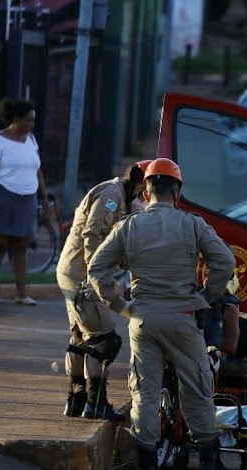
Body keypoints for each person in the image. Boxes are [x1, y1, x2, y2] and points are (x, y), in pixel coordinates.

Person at [87, 158, 236, 470]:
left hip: (143, 319)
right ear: (178, 191)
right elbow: (224, 261)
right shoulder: (193, 225)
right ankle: (209, 463)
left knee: (145, 390)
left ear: (146, 188)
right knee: (197, 387)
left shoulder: (130, 226)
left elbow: (97, 269)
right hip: (184, 318)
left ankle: (148, 466)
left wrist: (120, 305)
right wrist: (207, 297)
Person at [56, 162, 150, 420]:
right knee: (104, 339)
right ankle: (96, 403)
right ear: (139, 181)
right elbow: (93, 233)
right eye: (145, 186)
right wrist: (94, 276)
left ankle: (76, 401)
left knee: (79, 339)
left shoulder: (121, 198)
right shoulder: (111, 195)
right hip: (81, 273)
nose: (145, 193)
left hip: (71, 271)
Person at [0, 98, 49, 305]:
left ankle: (21, 293)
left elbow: (37, 169)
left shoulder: (31, 141)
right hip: (4, 196)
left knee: (22, 245)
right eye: (27, 121)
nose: (31, 125)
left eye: (33, 121)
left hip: (27, 198)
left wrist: (43, 196)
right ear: (15, 119)